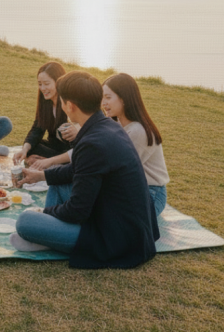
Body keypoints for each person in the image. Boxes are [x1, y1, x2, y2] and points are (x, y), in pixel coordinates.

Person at [11, 70, 160, 269]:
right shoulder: (107, 126)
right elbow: (77, 170)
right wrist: (41, 175)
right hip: (118, 217)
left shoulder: (93, 142)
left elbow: (77, 211)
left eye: (62, 101)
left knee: (25, 221)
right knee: (56, 183)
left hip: (115, 237)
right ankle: (48, 233)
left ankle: (46, 236)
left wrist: (43, 212)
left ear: (69, 106)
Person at [102, 73, 169, 215]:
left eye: (108, 97)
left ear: (124, 98)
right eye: (102, 98)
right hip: (131, 188)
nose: (103, 103)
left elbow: (116, 171)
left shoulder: (138, 131)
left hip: (151, 193)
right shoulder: (118, 123)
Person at [13, 62, 77, 170]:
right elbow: (37, 130)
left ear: (59, 81)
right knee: (31, 147)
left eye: (46, 83)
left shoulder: (70, 103)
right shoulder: (46, 102)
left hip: (72, 151)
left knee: (33, 157)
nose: (43, 88)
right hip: (55, 149)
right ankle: (50, 164)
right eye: (40, 84)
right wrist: (24, 150)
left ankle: (54, 164)